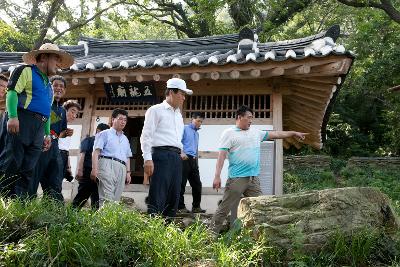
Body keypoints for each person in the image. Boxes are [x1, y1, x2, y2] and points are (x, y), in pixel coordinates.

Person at [209, 105, 308, 234]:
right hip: (237, 178)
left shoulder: (256, 132)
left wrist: (294, 133)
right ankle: (210, 234)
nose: (251, 120)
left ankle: (261, 236)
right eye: (249, 117)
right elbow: (221, 156)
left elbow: (277, 134)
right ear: (240, 117)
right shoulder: (229, 133)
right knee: (224, 208)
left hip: (253, 179)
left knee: (261, 206)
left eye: (252, 118)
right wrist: (217, 176)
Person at [0, 43, 73, 198]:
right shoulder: (25, 71)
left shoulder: (49, 86)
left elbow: (46, 111)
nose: (58, 65)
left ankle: (18, 201)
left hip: (39, 126)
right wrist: (13, 116)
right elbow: (12, 92)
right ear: (44, 57)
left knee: (29, 167)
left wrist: (47, 134)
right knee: (12, 161)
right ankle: (3, 199)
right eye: (56, 59)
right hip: (22, 119)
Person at [140, 77, 193, 218]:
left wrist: (181, 151)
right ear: (171, 92)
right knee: (158, 193)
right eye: (181, 94)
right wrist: (147, 159)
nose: (183, 98)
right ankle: (153, 229)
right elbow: (146, 136)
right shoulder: (155, 110)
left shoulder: (179, 116)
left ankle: (167, 230)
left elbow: (177, 138)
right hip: (160, 155)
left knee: (174, 195)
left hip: (176, 157)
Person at [29, 75, 70, 201]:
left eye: (62, 86)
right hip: (39, 145)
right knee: (33, 179)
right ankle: (27, 207)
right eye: (55, 85)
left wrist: (65, 133)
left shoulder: (63, 110)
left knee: (55, 180)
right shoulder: (41, 103)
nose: (59, 88)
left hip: (54, 147)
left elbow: (60, 132)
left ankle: (53, 211)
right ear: (49, 87)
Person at [91, 109, 132, 207]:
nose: (123, 122)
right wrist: (94, 169)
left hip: (122, 167)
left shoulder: (125, 139)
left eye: (125, 120)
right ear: (113, 119)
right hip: (106, 164)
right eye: (120, 119)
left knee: (115, 200)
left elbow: (127, 157)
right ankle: (103, 222)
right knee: (106, 198)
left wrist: (128, 173)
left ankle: (109, 221)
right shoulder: (104, 134)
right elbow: (96, 152)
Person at [72, 123, 110, 209]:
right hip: (87, 172)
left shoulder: (105, 143)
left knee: (97, 198)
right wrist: (79, 170)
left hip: (100, 173)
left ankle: (94, 219)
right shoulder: (89, 140)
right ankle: (71, 213)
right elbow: (82, 155)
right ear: (98, 131)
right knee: (82, 195)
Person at [178, 112, 206, 213]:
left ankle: (196, 207)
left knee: (197, 184)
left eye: (201, 122)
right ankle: (180, 207)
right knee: (181, 184)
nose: (199, 123)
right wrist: (181, 153)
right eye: (198, 121)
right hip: (184, 158)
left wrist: (196, 161)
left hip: (193, 160)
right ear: (192, 119)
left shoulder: (197, 133)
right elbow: (178, 141)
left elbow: (195, 149)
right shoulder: (184, 128)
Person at [58, 100, 81, 182]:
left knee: (57, 185)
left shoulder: (68, 128)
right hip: (55, 154)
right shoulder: (56, 122)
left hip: (63, 157)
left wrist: (68, 167)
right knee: (55, 185)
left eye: (76, 114)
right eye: (72, 111)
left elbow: (66, 149)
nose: (74, 115)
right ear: (65, 110)